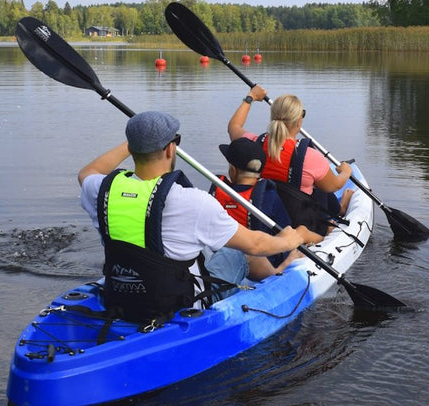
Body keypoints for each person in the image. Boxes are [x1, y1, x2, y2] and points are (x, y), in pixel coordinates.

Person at [78, 111, 304, 324]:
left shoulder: (100, 190)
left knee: (208, 248)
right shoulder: (192, 201)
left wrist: (136, 142)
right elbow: (256, 244)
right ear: (170, 149)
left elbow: (87, 173)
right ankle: (279, 273)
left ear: (133, 149)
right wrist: (288, 240)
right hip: (182, 303)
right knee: (240, 252)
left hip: (123, 294)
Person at [227, 84, 354, 235]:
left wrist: (251, 97)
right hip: (299, 224)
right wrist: (345, 172)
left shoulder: (252, 143)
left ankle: (339, 209)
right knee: (320, 186)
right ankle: (336, 214)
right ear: (299, 121)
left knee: (318, 182)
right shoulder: (311, 157)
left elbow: (233, 126)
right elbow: (333, 186)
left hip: (265, 217)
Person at [210, 138, 324, 282]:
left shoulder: (216, 194)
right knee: (299, 230)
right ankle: (326, 240)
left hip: (225, 254)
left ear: (233, 169)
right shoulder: (268, 195)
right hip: (265, 258)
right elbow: (285, 229)